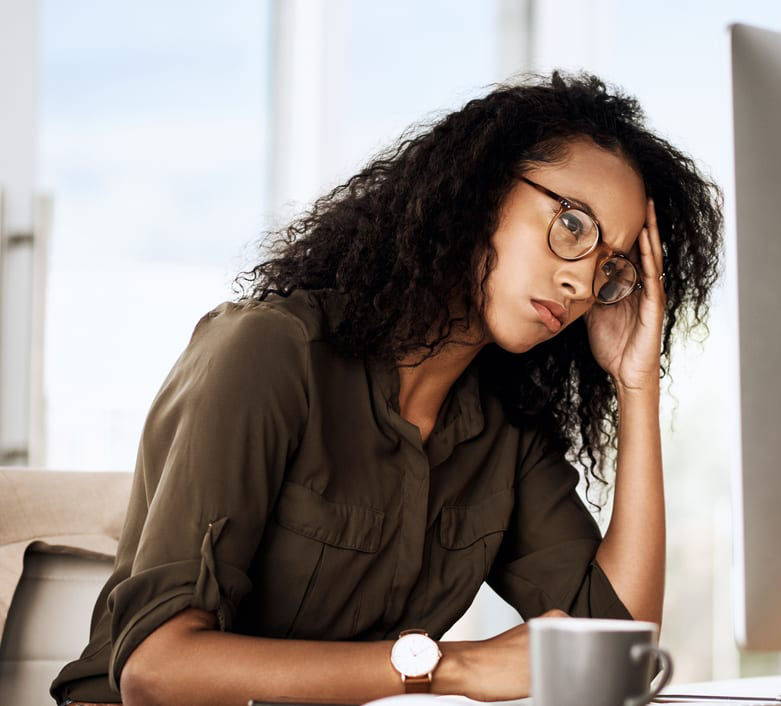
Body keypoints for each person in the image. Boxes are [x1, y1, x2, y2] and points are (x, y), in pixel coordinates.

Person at [50, 69, 724, 706]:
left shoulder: (503, 430)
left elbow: (612, 646)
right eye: (571, 225)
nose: (581, 283)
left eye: (610, 267)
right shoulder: (271, 353)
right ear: (483, 187)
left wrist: (635, 383)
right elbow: (156, 672)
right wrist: (450, 666)